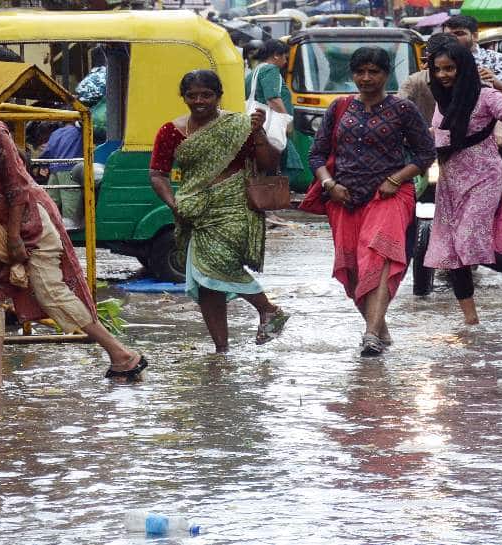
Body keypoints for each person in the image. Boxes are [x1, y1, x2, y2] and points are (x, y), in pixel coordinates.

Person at [0, 71, 148, 391]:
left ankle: (121, 354)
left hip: (25, 226)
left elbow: (17, 186)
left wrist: (13, 238)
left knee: (52, 293)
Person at [149, 70, 289, 353]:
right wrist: (174, 204)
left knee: (219, 264)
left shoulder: (239, 125)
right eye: (192, 95)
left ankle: (268, 309)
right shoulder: (171, 131)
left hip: (235, 207)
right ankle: (221, 349)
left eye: (206, 95)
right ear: (183, 97)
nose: (199, 101)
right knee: (205, 285)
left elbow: (268, 164)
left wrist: (258, 132)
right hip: (194, 211)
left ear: (219, 96)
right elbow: (157, 173)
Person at [308, 47, 435, 357]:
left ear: (386, 74)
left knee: (378, 258)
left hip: (388, 194)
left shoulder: (403, 109)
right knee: (351, 268)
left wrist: (396, 179)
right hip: (344, 197)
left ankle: (369, 335)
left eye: (374, 72)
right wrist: (329, 183)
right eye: (360, 71)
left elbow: (425, 153)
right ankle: (379, 328)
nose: (366, 78)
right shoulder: (338, 108)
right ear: (352, 74)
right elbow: (317, 154)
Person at [426, 43, 502, 324]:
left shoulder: (487, 96)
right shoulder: (441, 100)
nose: (443, 75)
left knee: (468, 243)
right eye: (438, 69)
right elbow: (437, 136)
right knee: (451, 251)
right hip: (450, 180)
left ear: (464, 67)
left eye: (449, 68)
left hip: (484, 178)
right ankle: (470, 321)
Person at [442, 16, 502, 274]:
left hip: (487, 142)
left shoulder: (493, 60)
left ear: (474, 35)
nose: (454, 39)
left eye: (459, 33)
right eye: (449, 34)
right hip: (449, 145)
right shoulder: (440, 61)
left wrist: (495, 81)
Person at [245, 39, 304, 186]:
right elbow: (273, 99)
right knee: (287, 162)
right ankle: (273, 195)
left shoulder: (254, 72)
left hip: (259, 126)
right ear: (276, 55)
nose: (285, 61)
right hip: (270, 126)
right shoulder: (270, 70)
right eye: (285, 57)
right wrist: (287, 120)